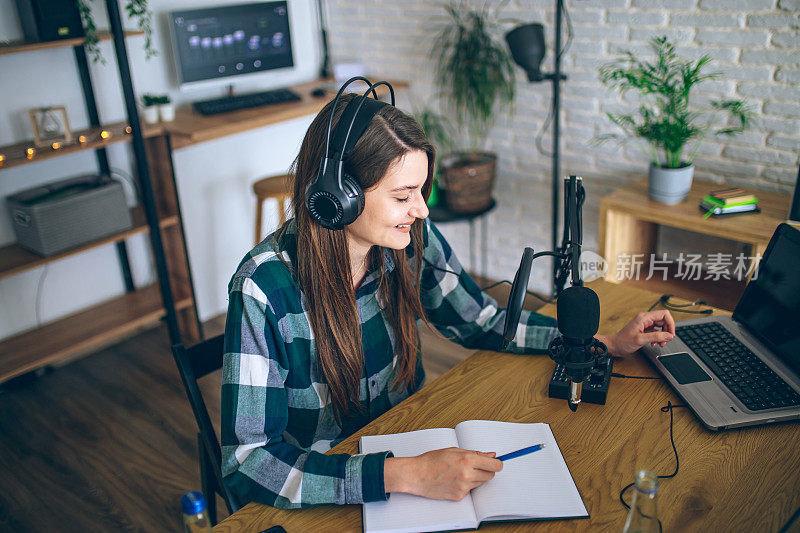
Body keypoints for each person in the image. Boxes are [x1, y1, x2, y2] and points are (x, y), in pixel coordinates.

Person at [221, 92, 676, 509]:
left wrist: (599, 340)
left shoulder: (408, 236)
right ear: (338, 197)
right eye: (402, 196)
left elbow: (478, 319)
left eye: (422, 191)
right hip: (330, 486)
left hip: (411, 443)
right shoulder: (263, 288)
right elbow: (246, 463)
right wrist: (401, 473)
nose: (421, 210)